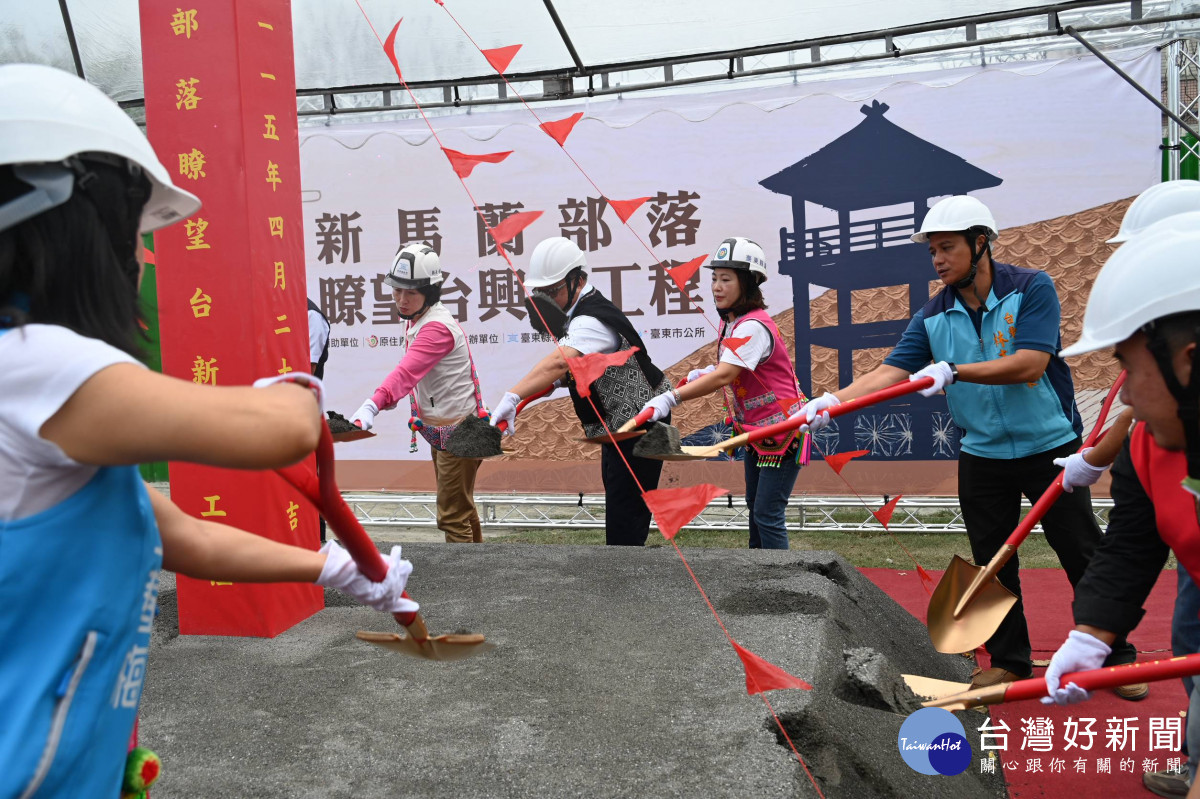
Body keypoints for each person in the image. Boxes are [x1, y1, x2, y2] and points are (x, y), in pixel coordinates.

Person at [0, 64, 415, 798]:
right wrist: (295, 391)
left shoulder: (40, 394)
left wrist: (331, 569)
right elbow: (279, 432)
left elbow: (182, 537)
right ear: (74, 224)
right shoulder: (31, 364)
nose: (140, 259)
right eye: (133, 233)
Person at [799, 194, 1142, 693]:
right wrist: (832, 400)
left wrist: (955, 370)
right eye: (931, 251)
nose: (937, 259)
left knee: (1082, 550)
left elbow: (1031, 363)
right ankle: (1009, 660)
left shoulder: (1031, 288)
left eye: (947, 248)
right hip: (981, 453)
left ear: (981, 243)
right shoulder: (934, 312)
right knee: (991, 561)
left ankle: (1120, 654)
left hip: (1051, 447)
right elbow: (892, 370)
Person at [1050, 180, 1200, 799]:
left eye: (1131, 370)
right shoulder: (1149, 445)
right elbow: (1133, 544)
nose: (1127, 397)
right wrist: (1092, 632)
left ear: (1189, 362)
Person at [490, 236, 672, 546]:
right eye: (540, 293)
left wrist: (513, 395)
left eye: (553, 290)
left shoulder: (590, 319)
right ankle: (623, 574)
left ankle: (625, 583)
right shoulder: (577, 317)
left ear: (578, 279)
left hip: (641, 425)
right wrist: (539, 392)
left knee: (626, 515)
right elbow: (573, 371)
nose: (548, 299)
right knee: (621, 503)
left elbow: (560, 363)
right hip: (622, 426)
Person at [636, 236, 808, 549]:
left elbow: (726, 375)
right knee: (756, 505)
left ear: (749, 282)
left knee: (767, 512)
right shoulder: (734, 323)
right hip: (758, 431)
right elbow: (732, 370)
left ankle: (784, 581)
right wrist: (706, 372)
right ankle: (762, 573)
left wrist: (671, 397)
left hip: (783, 429)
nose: (716, 286)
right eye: (714, 278)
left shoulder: (752, 326)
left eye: (726, 279)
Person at [348, 244, 486, 544]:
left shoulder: (435, 328)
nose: (401, 299)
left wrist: (372, 405)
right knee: (462, 509)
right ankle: (482, 577)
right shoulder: (421, 319)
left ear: (431, 292)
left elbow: (406, 373)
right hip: (453, 428)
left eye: (411, 292)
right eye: (397, 290)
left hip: (459, 432)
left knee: (452, 516)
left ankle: (468, 585)